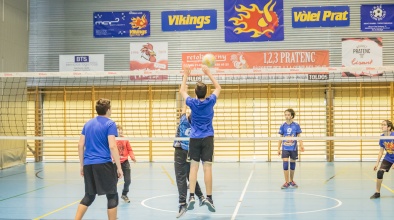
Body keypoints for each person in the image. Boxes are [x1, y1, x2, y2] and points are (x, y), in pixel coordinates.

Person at [179, 64, 221, 212]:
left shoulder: (192, 102)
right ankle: (209, 197)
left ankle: (191, 196)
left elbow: (182, 91)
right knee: (207, 167)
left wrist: (186, 75)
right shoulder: (210, 101)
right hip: (208, 137)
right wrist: (208, 73)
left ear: (196, 93)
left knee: (193, 168)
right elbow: (218, 88)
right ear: (206, 92)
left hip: (195, 138)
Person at [75, 99, 123, 220]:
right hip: (103, 164)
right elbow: (112, 146)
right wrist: (119, 167)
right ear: (108, 110)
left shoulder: (88, 124)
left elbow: (80, 145)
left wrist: (82, 165)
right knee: (112, 195)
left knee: (89, 196)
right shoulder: (110, 124)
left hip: (88, 165)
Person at [173, 98, 205, 218]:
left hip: (180, 150)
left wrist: (185, 94)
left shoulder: (183, 121)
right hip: (191, 151)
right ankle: (201, 197)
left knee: (180, 177)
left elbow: (183, 110)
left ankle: (182, 204)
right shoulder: (197, 125)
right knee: (190, 176)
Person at [277, 108, 304, 189]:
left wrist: (301, 145)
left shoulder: (296, 125)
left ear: (292, 116)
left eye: (288, 115)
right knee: (285, 164)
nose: (286, 116)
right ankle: (286, 182)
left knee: (292, 165)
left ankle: (291, 181)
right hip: (285, 148)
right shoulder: (282, 126)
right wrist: (278, 148)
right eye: (285, 114)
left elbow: (299, 137)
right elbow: (280, 138)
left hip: (293, 148)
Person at [370, 120, 394, 199]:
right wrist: (377, 163)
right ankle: (377, 193)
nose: (382, 126)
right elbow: (381, 151)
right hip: (388, 158)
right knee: (380, 172)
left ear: (389, 127)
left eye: (384, 125)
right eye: (382, 125)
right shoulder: (382, 137)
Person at [116, 125, 136, 203]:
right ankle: (113, 196)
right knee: (114, 181)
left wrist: (132, 157)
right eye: (118, 130)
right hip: (115, 163)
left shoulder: (125, 139)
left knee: (128, 180)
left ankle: (124, 194)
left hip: (125, 162)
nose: (120, 131)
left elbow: (129, 149)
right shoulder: (112, 139)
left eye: (121, 130)